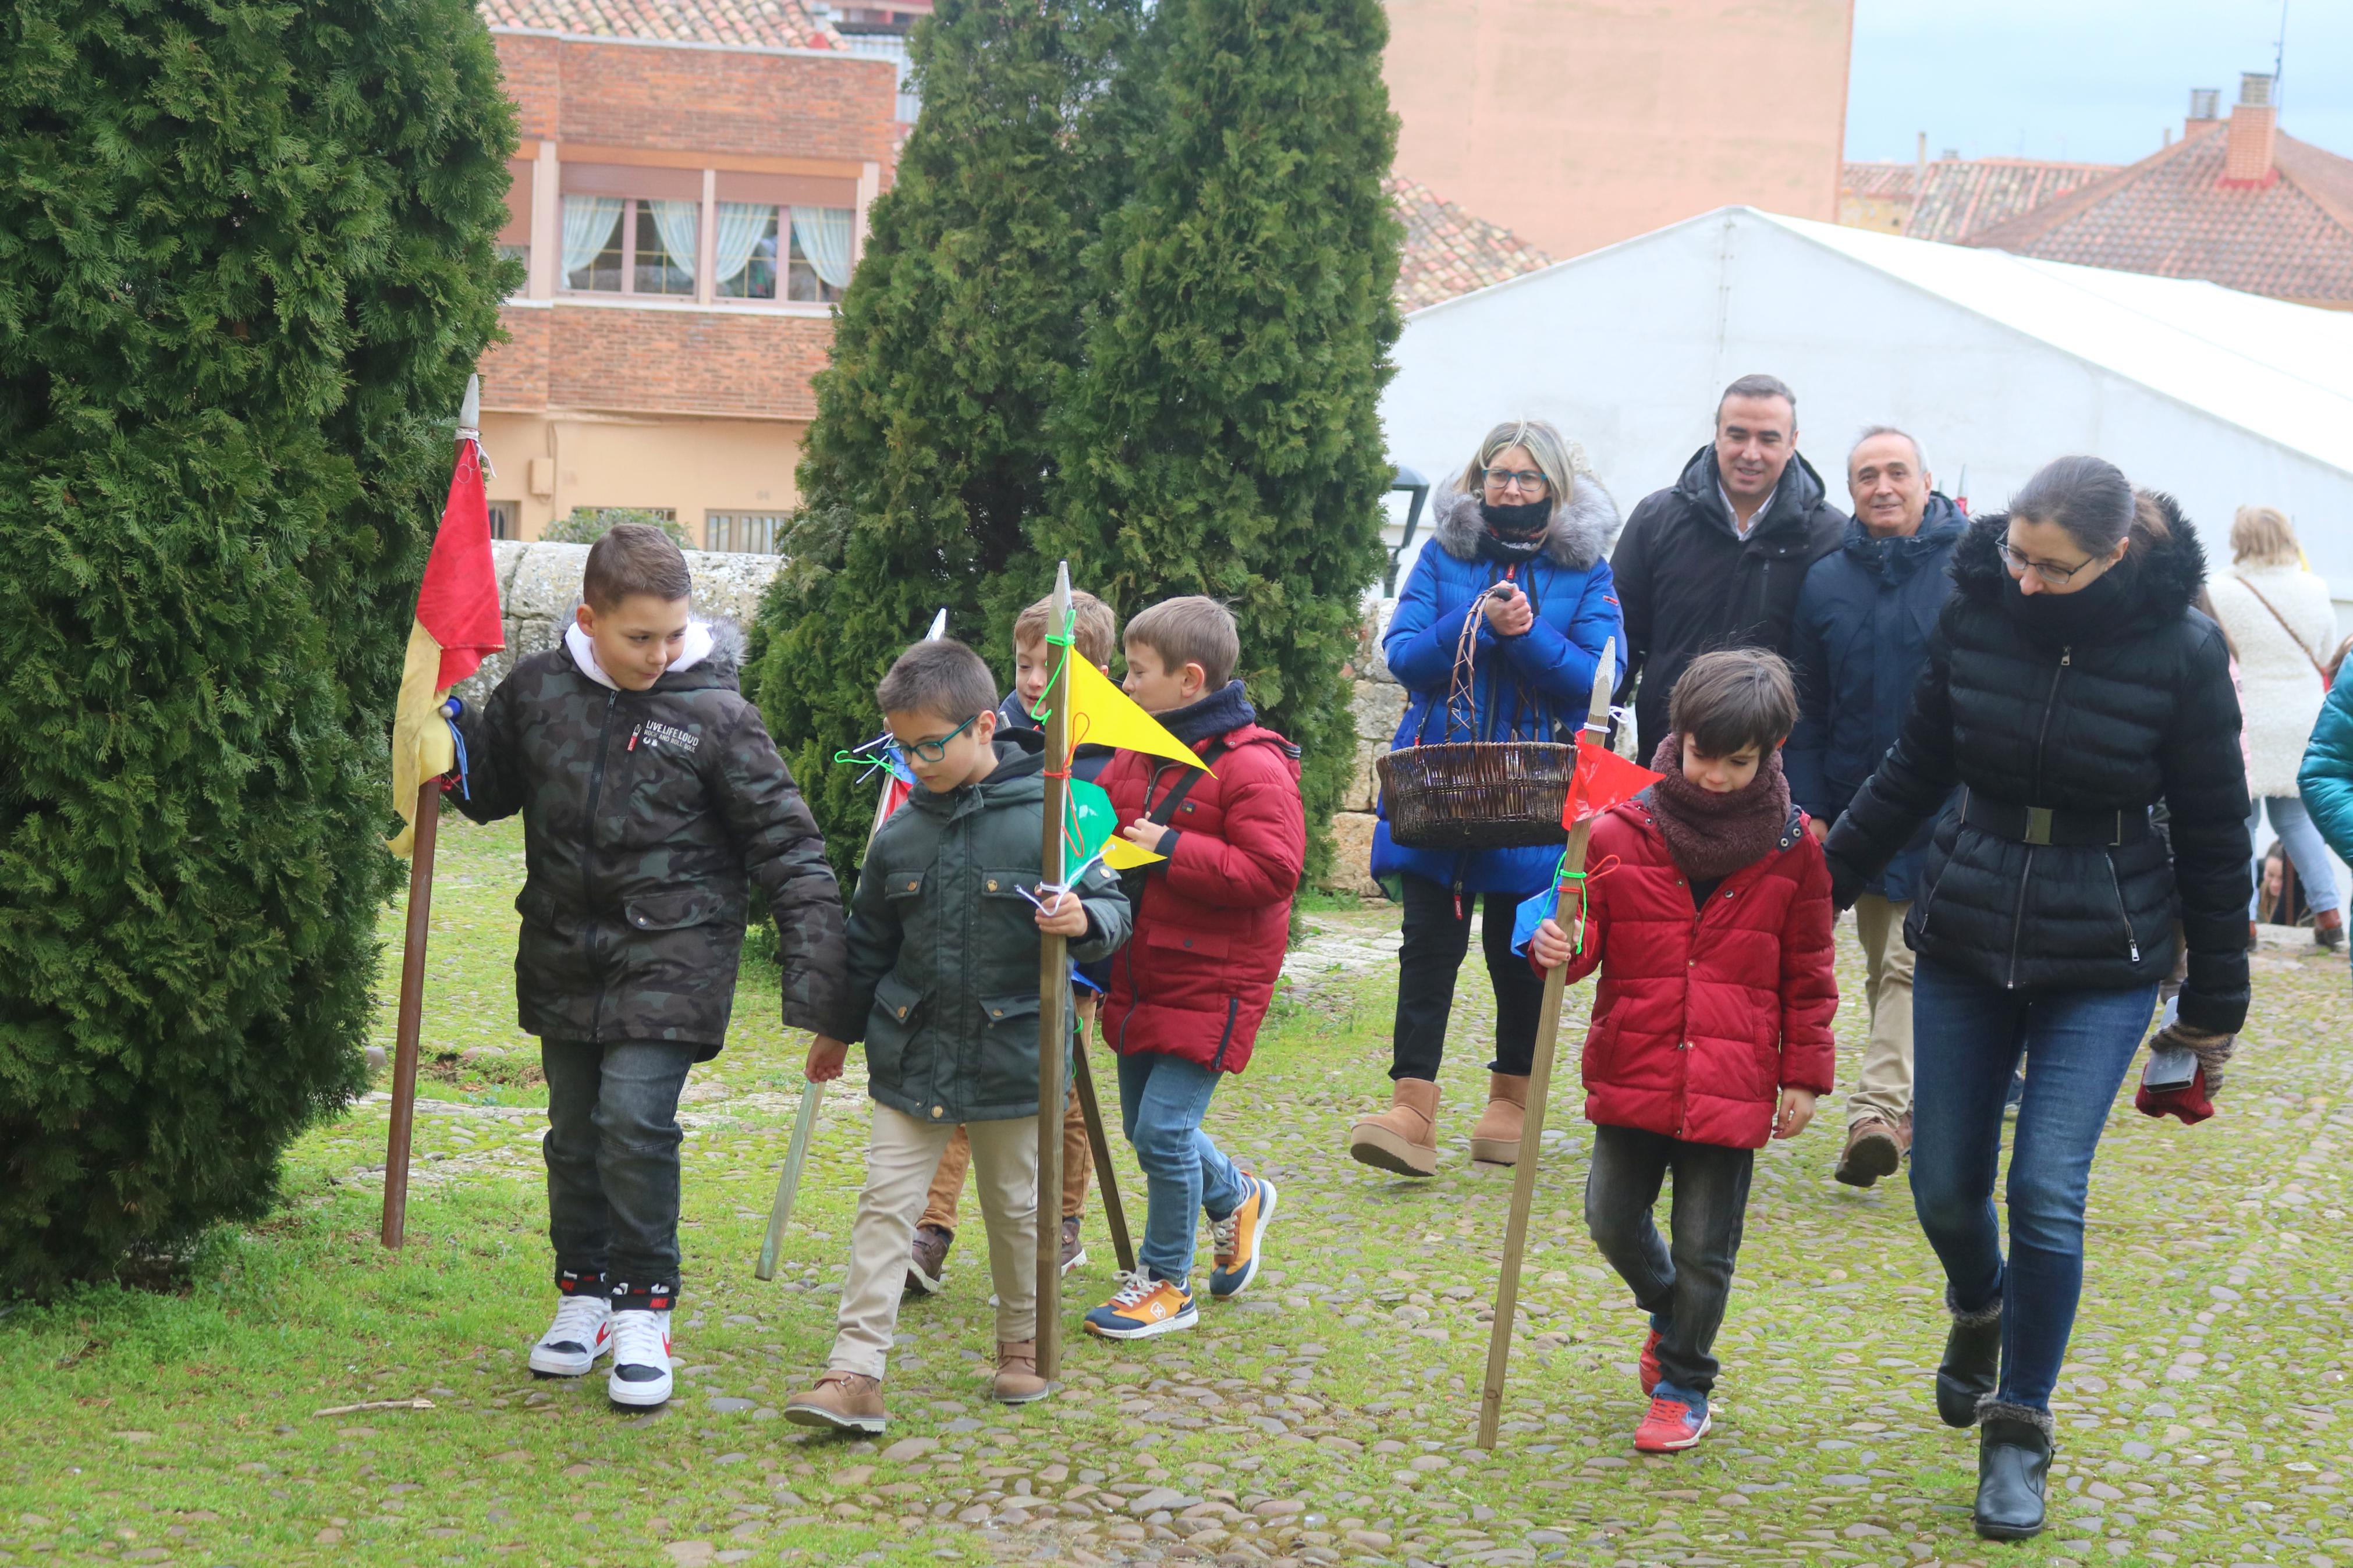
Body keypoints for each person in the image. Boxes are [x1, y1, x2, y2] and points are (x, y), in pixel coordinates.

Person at [1820, 457, 2250, 1540]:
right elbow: (1911, 770)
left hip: (2105, 952)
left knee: (2045, 1188)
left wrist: (2213, 999)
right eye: (2014, 553)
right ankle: (1979, 1303)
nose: (2022, 581)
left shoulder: (2183, 650)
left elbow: (2210, 831)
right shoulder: (1977, 613)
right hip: (1965, 929)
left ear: (2112, 557)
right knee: (1943, 1186)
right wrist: (1807, 899)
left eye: (2050, 569)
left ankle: (2019, 1428)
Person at [450, 524, 845, 1410]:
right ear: (588, 619)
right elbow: (490, 792)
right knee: (575, 1133)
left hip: (676, 954)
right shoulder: (537, 689)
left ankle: (643, 1306)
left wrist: (823, 988)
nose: (661, 653)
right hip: (563, 951)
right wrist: (449, 736)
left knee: (632, 1118)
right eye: (639, 637)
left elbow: (789, 847)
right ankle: (582, 1295)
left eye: (674, 632)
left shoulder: (717, 716)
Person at [785, 639, 1130, 1433]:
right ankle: (855, 1369)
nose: (913, 760)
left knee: (1014, 1204)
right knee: (883, 1206)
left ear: (982, 724)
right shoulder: (898, 835)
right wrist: (835, 1030)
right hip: (912, 1050)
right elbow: (867, 942)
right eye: (900, 746)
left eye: (928, 745)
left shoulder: (1056, 815)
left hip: (1015, 1052)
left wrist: (1084, 920)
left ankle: (1020, 1343)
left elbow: (1114, 910)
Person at [1521, 649, 1836, 1453]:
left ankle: (1683, 1380)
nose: (1718, 776)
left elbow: (1807, 966)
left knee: (1706, 1243)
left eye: (1739, 761)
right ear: (1676, 735)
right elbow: (1582, 937)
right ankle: (1671, 1309)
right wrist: (1557, 940)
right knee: (1609, 1216)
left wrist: (1802, 1072)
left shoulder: (1793, 845)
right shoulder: (1617, 826)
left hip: (1733, 1079)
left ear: (1771, 749)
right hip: (1636, 1061)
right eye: (1704, 755)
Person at [1356, 419, 1623, 1176]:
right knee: (1426, 947)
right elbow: (1404, 653)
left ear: (1553, 488)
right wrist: (1473, 617)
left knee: (1519, 951)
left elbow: (1596, 677)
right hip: (1437, 785)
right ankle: (1411, 1105)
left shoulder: (1589, 571)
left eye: (1524, 477)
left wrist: (1524, 633)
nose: (1509, 488)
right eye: (1496, 475)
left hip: (1535, 794)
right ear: (1478, 482)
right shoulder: (1444, 556)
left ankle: (1509, 1100)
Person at [1084, 598, 1305, 1339]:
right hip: (1142, 971)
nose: (1124, 681)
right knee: (1150, 1130)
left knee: (1164, 1132)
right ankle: (1236, 1195)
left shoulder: (1253, 764)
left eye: (1136, 670)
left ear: (1189, 680)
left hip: (1213, 984)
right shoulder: (1137, 749)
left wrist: (1172, 848)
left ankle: (1164, 1283)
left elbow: (1275, 871)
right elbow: (1101, 821)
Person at [907, 590, 1119, 1295]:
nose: (1034, 681)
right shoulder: (988, 734)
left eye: (1052, 666)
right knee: (962, 1086)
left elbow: (1115, 869)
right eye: (1026, 664)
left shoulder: (1116, 752)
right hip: (986, 943)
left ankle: (1061, 1222)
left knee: (1060, 1095)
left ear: (1094, 670)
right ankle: (930, 1232)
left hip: (1071, 950)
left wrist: (1085, 915)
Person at [1785, 426, 1966, 1187]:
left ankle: (1876, 1112)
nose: (1882, 486)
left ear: (1926, 481)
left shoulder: (1967, 572)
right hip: (1859, 813)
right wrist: (1813, 805)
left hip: (1947, 810)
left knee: (1902, 959)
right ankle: (1916, 1105)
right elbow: (1808, 707)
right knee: (1873, 962)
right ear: (1849, 490)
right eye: (1866, 475)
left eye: (1896, 472)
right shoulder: (1825, 582)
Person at [1611, 373, 1847, 762]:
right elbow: (1618, 642)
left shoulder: (1827, 538)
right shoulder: (1656, 520)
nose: (1750, 453)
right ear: (1717, 435)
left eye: (1768, 438)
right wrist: (1597, 754)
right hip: (1668, 759)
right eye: (1737, 435)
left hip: (1771, 769)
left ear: (1792, 443)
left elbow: (1831, 679)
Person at [2203, 506, 2343, 948]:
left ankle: (2243, 922)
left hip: (2242, 714)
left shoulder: (2221, 589)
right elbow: (2325, 649)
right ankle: (2328, 912)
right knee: (2298, 821)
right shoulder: (2314, 588)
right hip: (2299, 719)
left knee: (2240, 822)